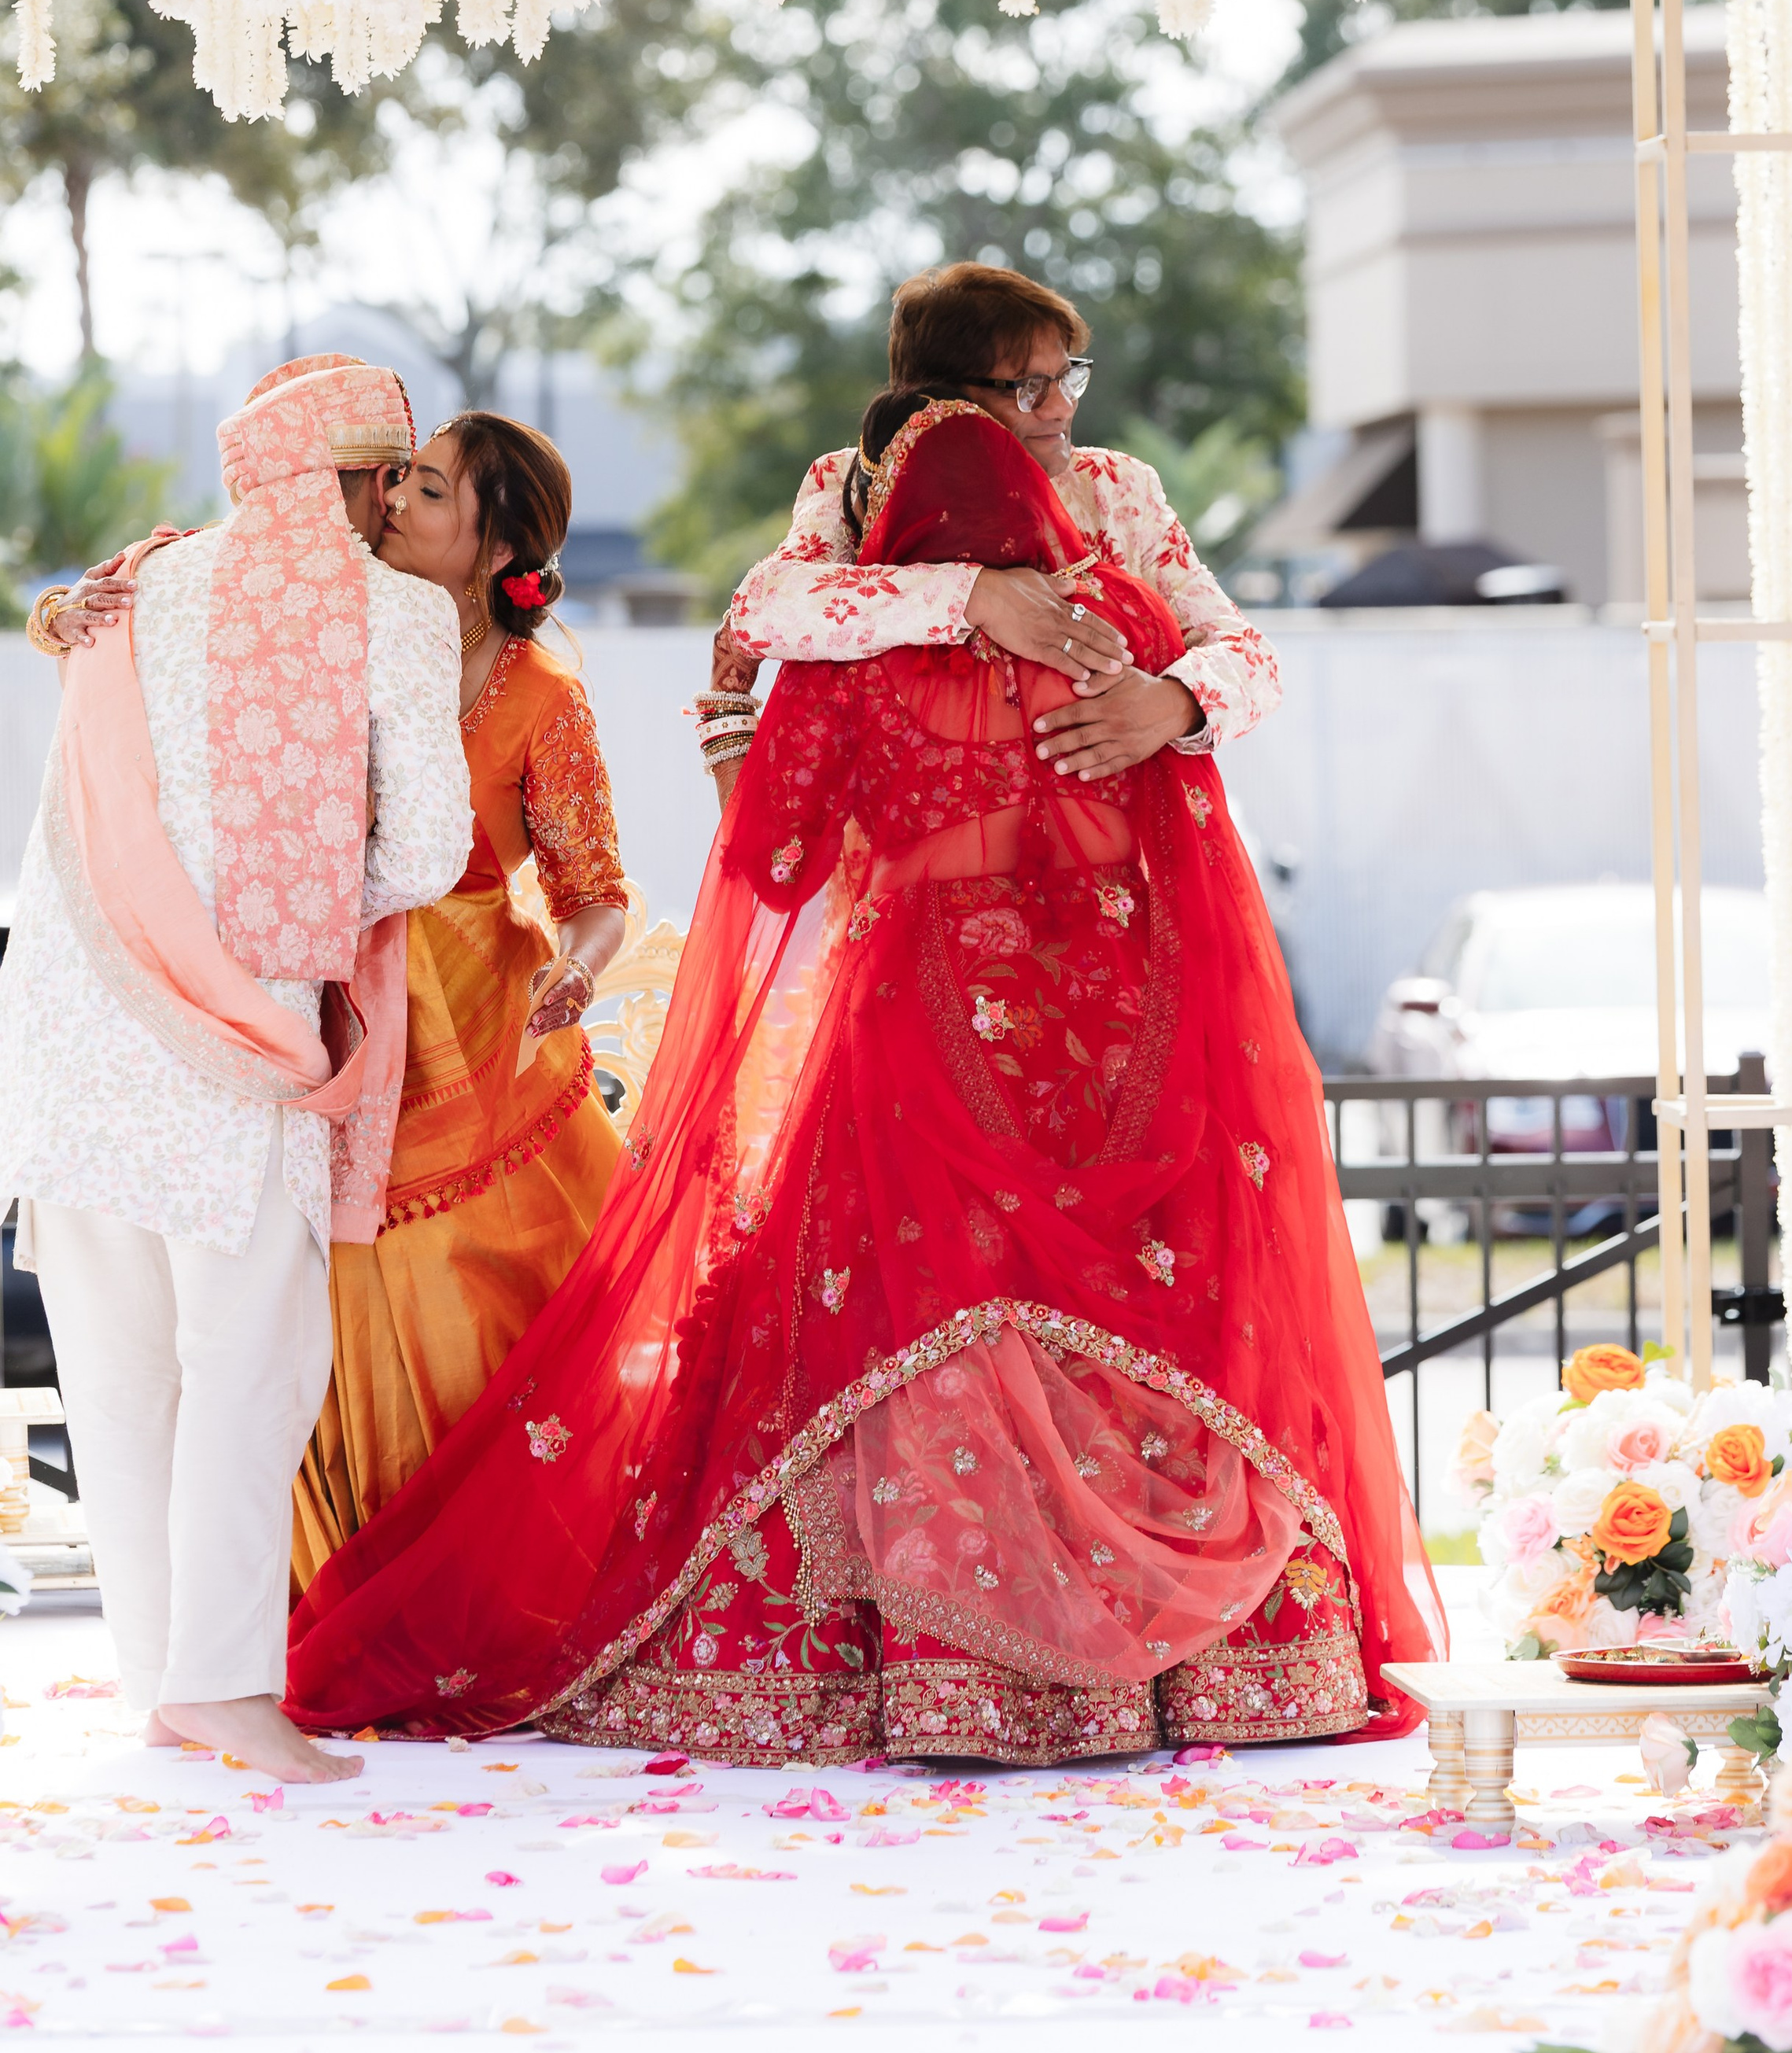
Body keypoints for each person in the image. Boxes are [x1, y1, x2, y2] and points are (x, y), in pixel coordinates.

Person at [287, 396, 1443, 1764]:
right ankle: (1214, 1674)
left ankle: (951, 1675)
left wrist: (743, 763)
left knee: (918, 1323)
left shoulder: (865, 665)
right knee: (1124, 1337)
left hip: (918, 1042)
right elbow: (1177, 849)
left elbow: (785, 867)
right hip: (1091, 1050)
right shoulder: (1120, 639)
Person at [0, 357, 470, 1784]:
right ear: (371, 480)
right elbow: (432, 852)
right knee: (255, 1363)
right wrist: (325, 903)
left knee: (121, 1368)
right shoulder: (389, 610)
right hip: (234, 1032)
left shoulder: (126, 587)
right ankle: (221, 1685)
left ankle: (164, 1677)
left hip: (75, 1024)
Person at [287, 412, 631, 1579]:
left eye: (427, 491)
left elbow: (597, 890)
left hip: (485, 1033)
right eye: (402, 480)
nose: (390, 502)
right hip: (334, 1012)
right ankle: (355, 1590)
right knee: (326, 1305)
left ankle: (491, 1592)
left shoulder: (541, 694)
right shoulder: (334, 633)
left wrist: (579, 967)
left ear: (495, 548)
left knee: (468, 1312)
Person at [700, 261, 1280, 793]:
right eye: (1029, 387)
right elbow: (764, 607)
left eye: (1067, 377)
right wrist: (975, 594)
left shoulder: (1114, 486)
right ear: (942, 400)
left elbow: (1250, 656)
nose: (1060, 408)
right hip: (926, 869)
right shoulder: (861, 483)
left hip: (1122, 869)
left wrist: (1173, 703)